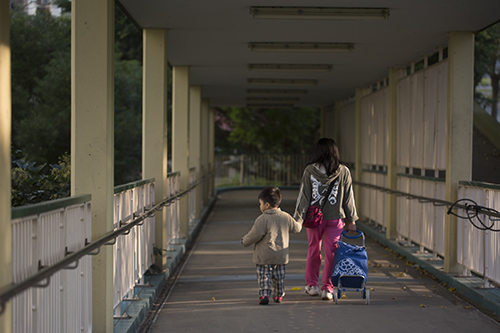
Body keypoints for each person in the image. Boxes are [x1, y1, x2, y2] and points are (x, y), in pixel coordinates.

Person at [293, 138, 358, 301]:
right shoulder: (343, 171)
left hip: (314, 219)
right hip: (336, 219)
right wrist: (352, 219)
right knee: (332, 253)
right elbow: (349, 197)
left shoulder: (310, 170)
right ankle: (328, 288)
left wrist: (298, 219)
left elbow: (304, 197)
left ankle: (312, 286)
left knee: (313, 250)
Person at [241, 186, 302, 305]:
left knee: (264, 276)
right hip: (281, 256)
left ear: (267, 205)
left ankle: (264, 294)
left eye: (261, 203)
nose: (260, 206)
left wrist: (245, 241)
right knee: (279, 277)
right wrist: (300, 219)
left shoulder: (262, 219)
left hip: (264, 256)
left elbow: (254, 235)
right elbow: (297, 228)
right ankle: (278, 295)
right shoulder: (286, 216)